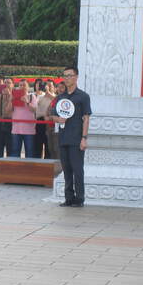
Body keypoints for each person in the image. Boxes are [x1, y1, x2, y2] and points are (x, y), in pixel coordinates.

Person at [50, 66, 92, 207]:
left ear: (76, 77)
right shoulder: (60, 97)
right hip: (63, 138)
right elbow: (52, 115)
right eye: (65, 76)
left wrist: (84, 138)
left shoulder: (83, 97)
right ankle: (69, 198)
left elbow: (86, 118)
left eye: (70, 75)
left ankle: (79, 199)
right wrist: (58, 119)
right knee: (66, 170)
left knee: (77, 170)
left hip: (77, 139)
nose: (67, 78)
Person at [10, 79, 39, 157]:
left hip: (29, 130)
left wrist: (27, 102)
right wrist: (10, 101)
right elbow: (8, 111)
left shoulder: (32, 96)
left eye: (24, 85)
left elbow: (34, 110)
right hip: (16, 129)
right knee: (15, 152)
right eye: (20, 85)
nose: (22, 87)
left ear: (28, 87)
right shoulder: (14, 96)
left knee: (29, 152)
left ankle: (29, 165)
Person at [35, 79, 57, 158]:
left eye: (50, 86)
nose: (47, 87)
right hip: (40, 122)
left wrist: (48, 93)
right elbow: (34, 106)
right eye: (46, 85)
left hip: (51, 124)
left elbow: (57, 101)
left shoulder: (56, 97)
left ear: (54, 88)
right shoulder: (40, 96)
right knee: (38, 146)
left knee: (49, 147)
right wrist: (39, 92)